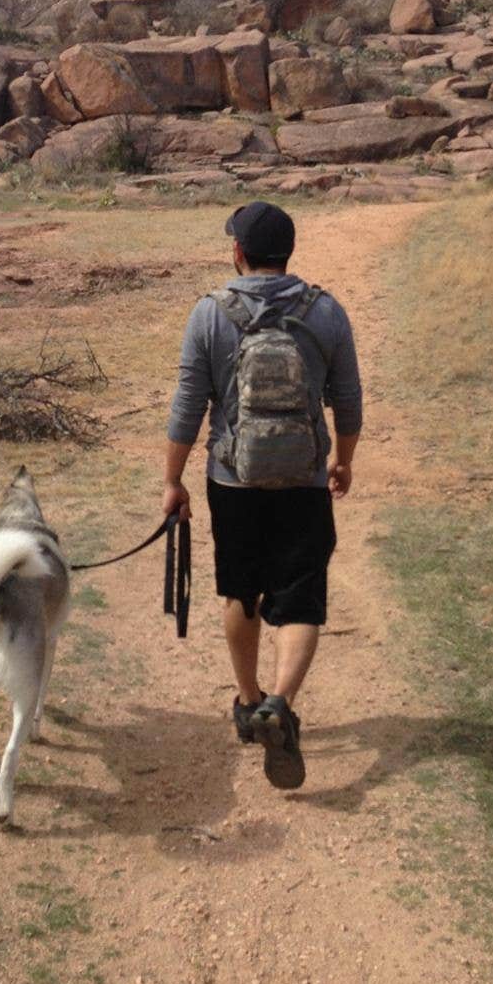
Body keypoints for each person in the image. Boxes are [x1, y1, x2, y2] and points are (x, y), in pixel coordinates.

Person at [163, 201, 362, 788]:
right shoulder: (326, 311)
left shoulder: (209, 314)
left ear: (238, 253)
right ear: (289, 253)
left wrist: (173, 480)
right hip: (304, 479)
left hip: (233, 480)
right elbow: (348, 402)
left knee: (241, 590)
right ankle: (281, 702)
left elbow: (187, 408)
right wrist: (343, 461)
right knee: (300, 599)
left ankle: (249, 701)